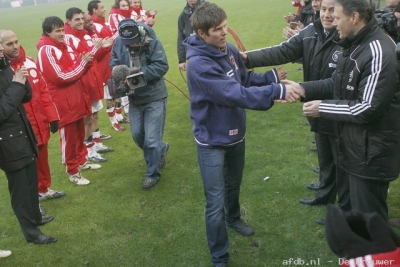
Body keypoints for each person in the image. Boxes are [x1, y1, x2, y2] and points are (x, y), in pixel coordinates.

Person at [183, 3, 303, 266]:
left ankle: (234, 217)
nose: (225, 33)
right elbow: (234, 94)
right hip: (211, 141)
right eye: (218, 30)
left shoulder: (228, 50)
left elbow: (243, 80)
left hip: (236, 134)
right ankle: (219, 256)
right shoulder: (198, 66)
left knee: (233, 185)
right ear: (202, 33)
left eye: (226, 26)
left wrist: (272, 79)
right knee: (214, 204)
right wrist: (277, 92)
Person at [285, 0, 400, 221]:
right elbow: (336, 83)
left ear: (354, 17)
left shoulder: (377, 50)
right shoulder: (354, 43)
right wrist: (302, 88)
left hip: (371, 153)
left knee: (371, 222)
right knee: (358, 219)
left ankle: (375, 254)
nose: (332, 21)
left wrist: (322, 107)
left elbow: (368, 107)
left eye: (337, 17)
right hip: (358, 146)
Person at [242, 0, 350, 225]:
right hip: (316, 108)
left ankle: (344, 213)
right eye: (324, 9)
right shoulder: (310, 31)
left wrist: (303, 89)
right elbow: (281, 51)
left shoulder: (348, 36)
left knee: (344, 163)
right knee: (325, 156)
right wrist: (247, 58)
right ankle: (324, 196)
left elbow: (337, 81)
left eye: (333, 10)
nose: (327, 15)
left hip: (340, 111)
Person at [0, 41, 56, 244]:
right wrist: (16, 84)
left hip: (24, 135)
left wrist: (22, 80)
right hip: (8, 144)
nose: (1, 48)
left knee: (31, 181)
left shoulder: (5, 67)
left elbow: (25, 97)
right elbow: (2, 111)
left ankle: (36, 218)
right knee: (21, 189)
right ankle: (31, 233)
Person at [0, 29, 66, 201]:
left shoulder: (29, 61)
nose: (15, 46)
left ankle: (44, 189)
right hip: (22, 129)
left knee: (42, 160)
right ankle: (32, 200)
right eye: (9, 44)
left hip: (40, 122)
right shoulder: (4, 71)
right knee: (27, 168)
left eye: (16, 41)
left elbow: (44, 91)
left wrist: (52, 115)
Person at [37, 16, 101, 186]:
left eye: (62, 30)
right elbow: (60, 77)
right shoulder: (46, 50)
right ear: (47, 32)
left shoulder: (64, 46)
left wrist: (85, 62)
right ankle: (72, 171)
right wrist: (82, 63)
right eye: (57, 31)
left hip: (76, 98)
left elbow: (77, 69)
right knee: (68, 137)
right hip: (62, 103)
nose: (61, 33)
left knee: (79, 133)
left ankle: (82, 161)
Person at [110, 18, 169, 189]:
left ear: (140, 33)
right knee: (137, 135)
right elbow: (113, 59)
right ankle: (161, 148)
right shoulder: (119, 42)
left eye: (134, 41)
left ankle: (152, 174)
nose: (132, 44)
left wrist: (138, 74)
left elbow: (162, 66)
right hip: (134, 98)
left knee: (151, 140)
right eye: (128, 42)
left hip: (155, 96)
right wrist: (118, 71)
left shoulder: (152, 41)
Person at [64, 7, 114, 163]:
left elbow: (94, 59)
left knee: (95, 114)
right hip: (84, 83)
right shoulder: (69, 39)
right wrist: (97, 47)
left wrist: (104, 48)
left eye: (81, 19)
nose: (80, 22)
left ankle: (97, 144)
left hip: (93, 80)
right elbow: (80, 60)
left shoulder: (84, 35)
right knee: (87, 119)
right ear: (69, 22)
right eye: (77, 19)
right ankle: (90, 151)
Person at [87, 0, 126, 132]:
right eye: (101, 7)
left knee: (118, 90)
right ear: (94, 10)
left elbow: (111, 39)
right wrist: (117, 34)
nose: (104, 9)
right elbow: (105, 43)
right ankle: (113, 122)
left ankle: (119, 115)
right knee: (109, 94)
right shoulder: (93, 27)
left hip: (113, 60)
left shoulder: (104, 23)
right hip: (103, 66)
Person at [177, 0, 205, 71]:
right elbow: (181, 38)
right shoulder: (183, 16)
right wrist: (182, 60)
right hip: (194, 57)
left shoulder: (207, 9)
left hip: (210, 53)